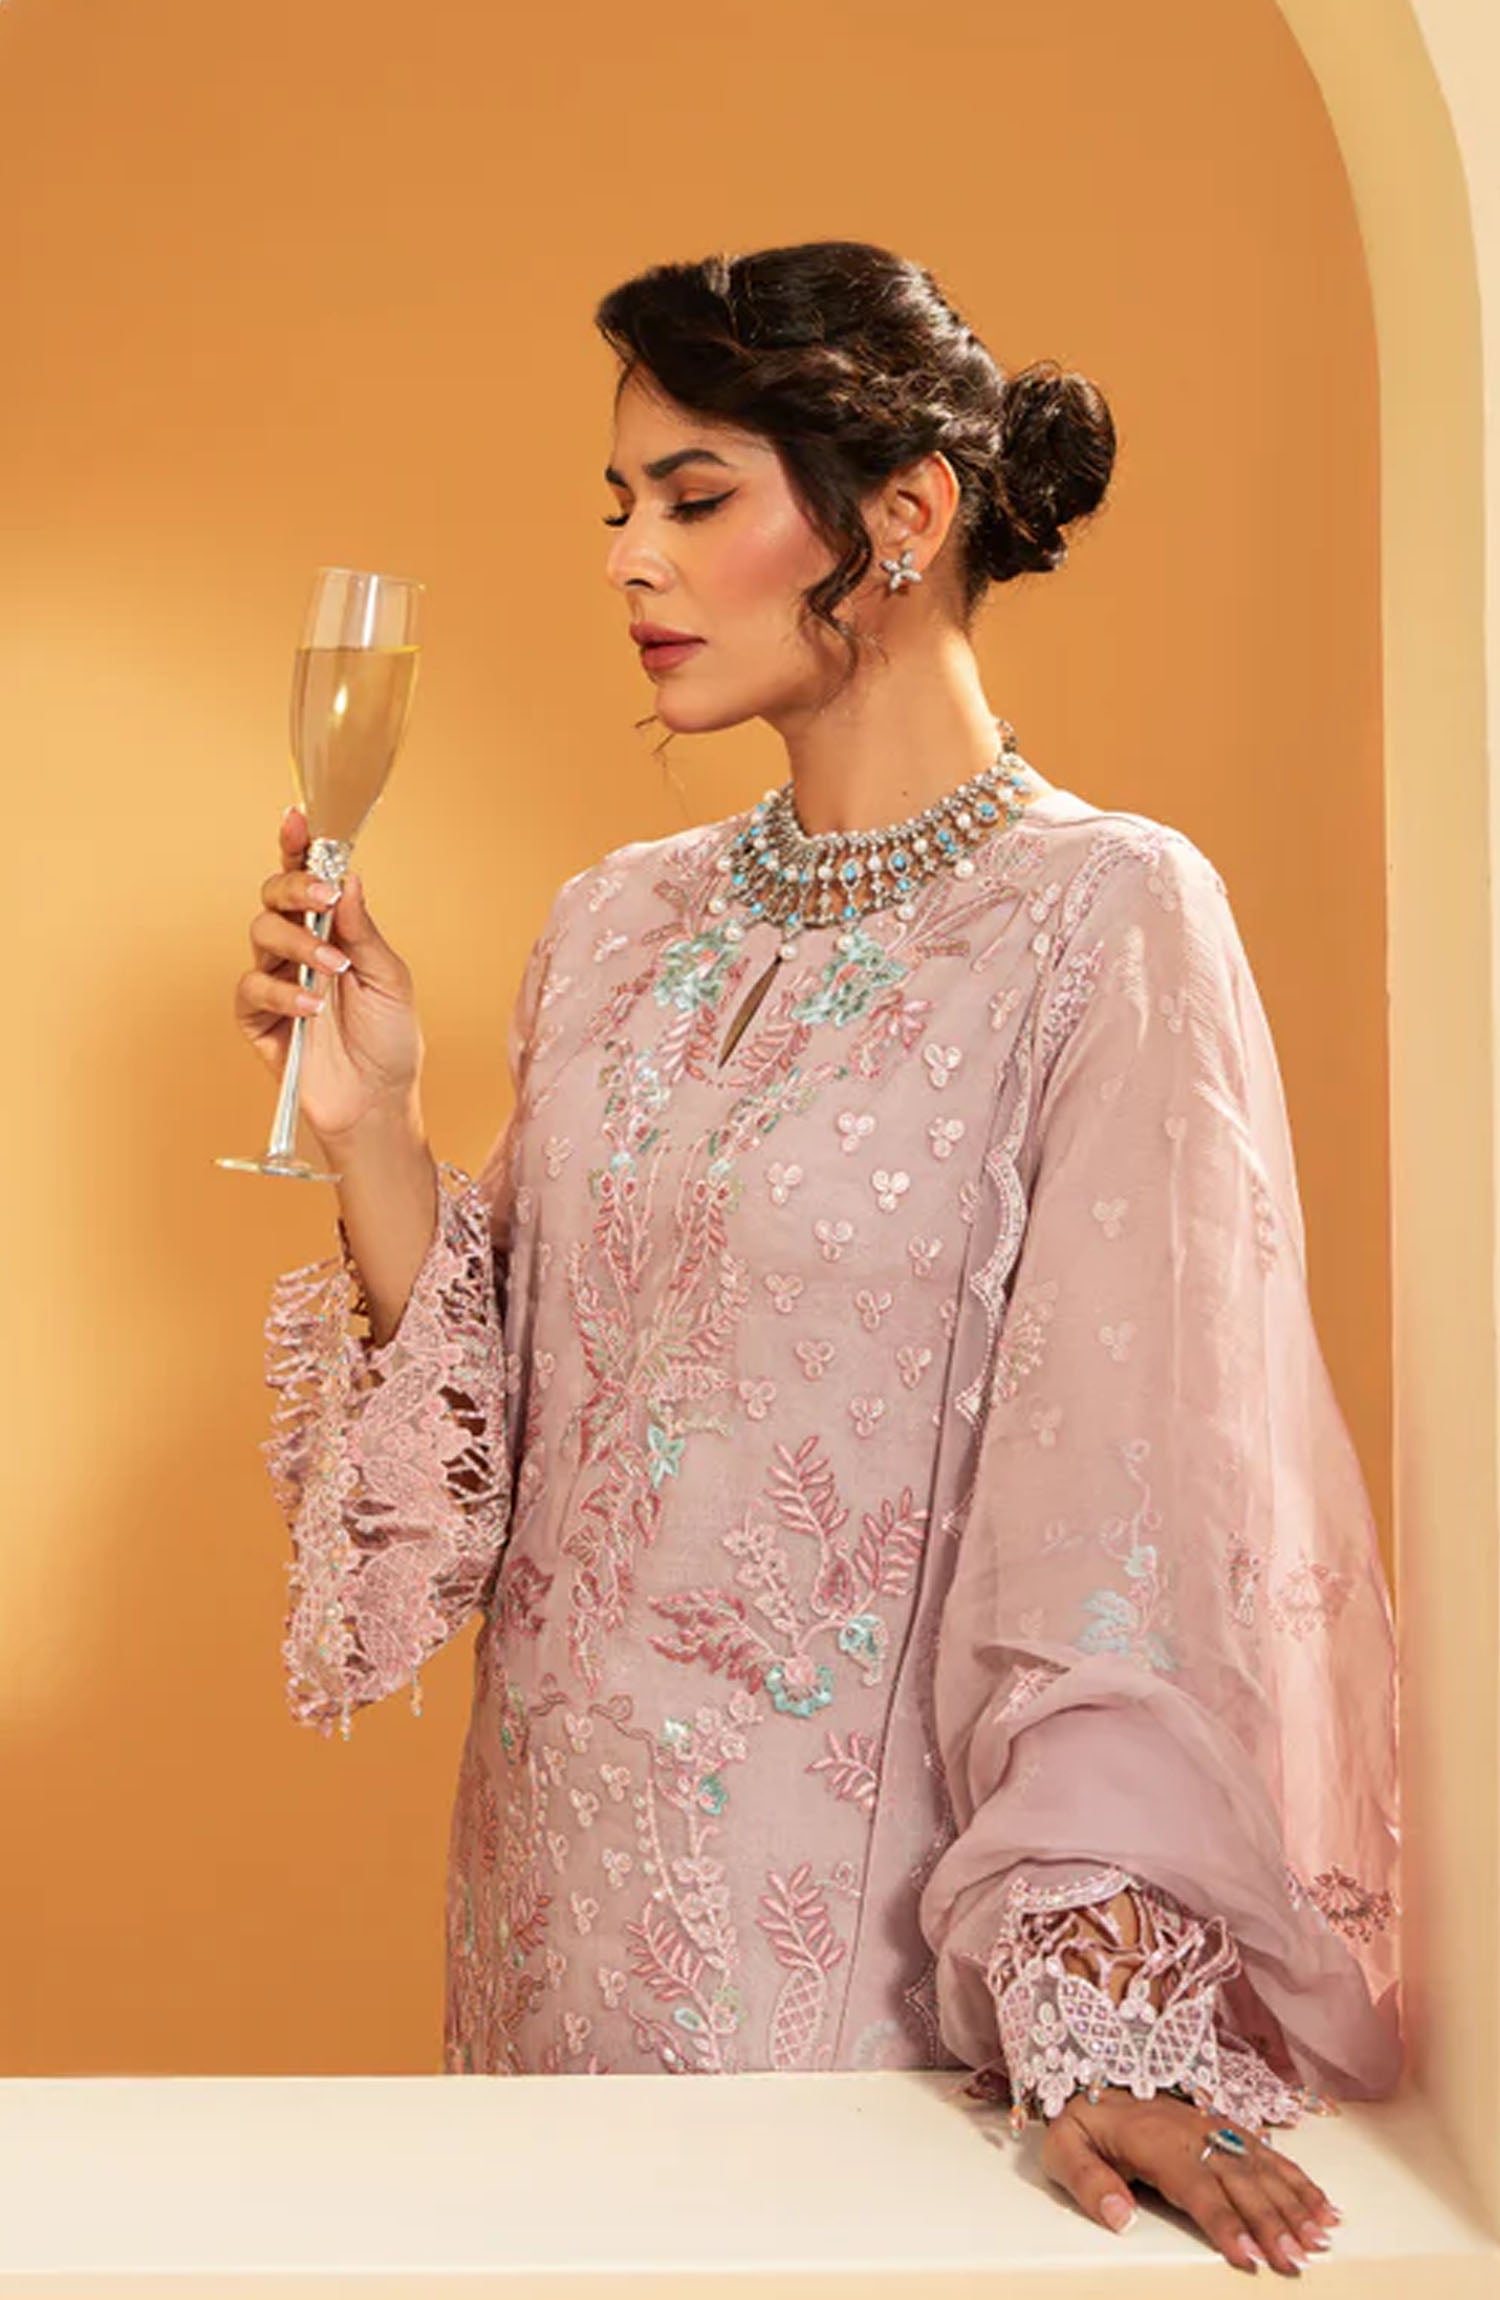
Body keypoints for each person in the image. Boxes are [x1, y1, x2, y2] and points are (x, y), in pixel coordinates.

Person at [236, 241, 1399, 2276]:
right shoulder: (615, 926)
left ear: (907, 515)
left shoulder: (1103, 919)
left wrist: (1106, 2011)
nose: (632, 558)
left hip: (844, 2016)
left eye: (697, 498)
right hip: (542, 1961)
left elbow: (1133, 1507)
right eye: (620, 505)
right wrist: (375, 1131)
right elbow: (504, 1460)